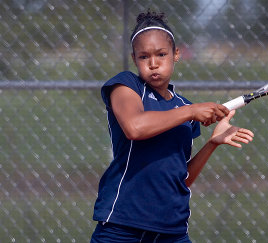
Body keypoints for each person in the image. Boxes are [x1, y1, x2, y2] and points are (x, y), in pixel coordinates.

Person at [91, 10, 254, 243]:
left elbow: (182, 178)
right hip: (122, 227)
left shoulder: (183, 106)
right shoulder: (126, 85)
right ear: (134, 58)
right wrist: (190, 111)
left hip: (172, 230)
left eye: (161, 54)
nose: (153, 63)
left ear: (176, 54)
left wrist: (211, 143)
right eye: (144, 57)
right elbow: (134, 127)